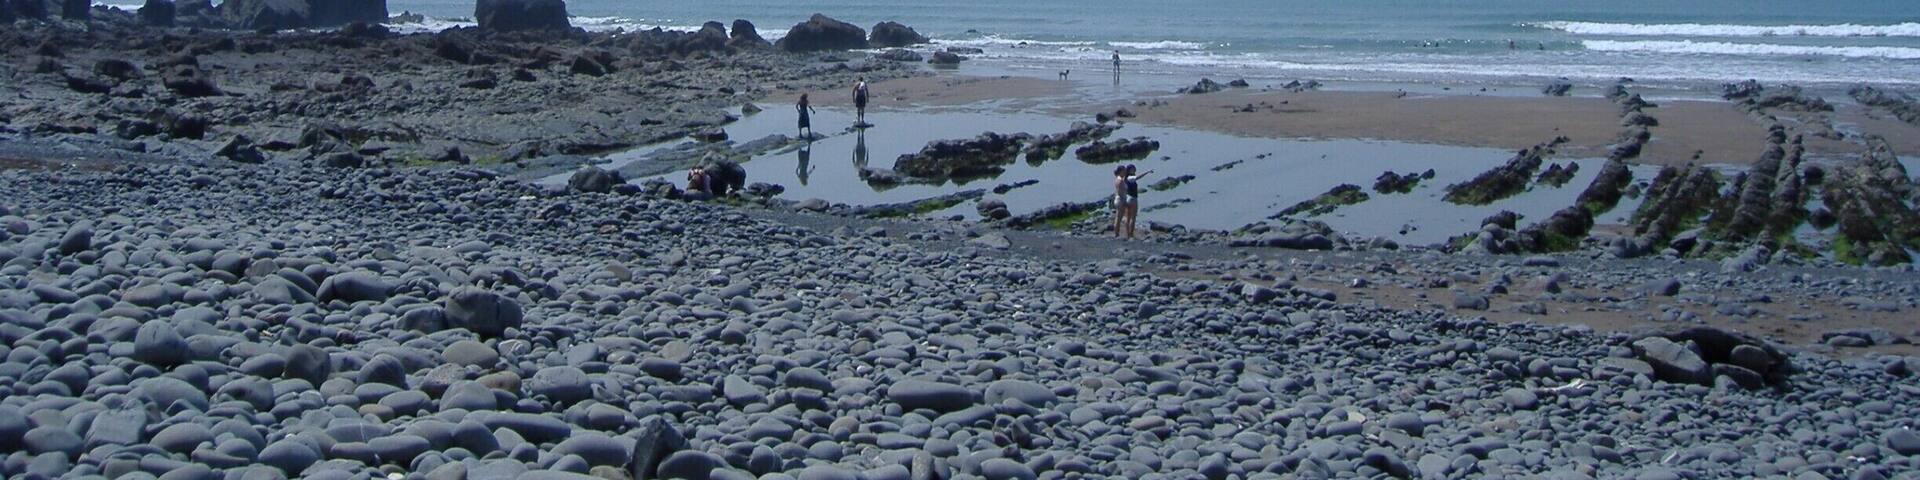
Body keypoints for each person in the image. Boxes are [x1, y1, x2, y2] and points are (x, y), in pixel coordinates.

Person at [1122, 164, 1153, 239]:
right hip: (1133, 198)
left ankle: (1127, 233)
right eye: (1133, 169)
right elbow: (1137, 177)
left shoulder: (1124, 179)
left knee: (1127, 217)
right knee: (1133, 218)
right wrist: (1147, 172)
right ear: (1129, 170)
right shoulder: (1130, 178)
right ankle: (1131, 234)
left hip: (1127, 198)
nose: (1135, 170)